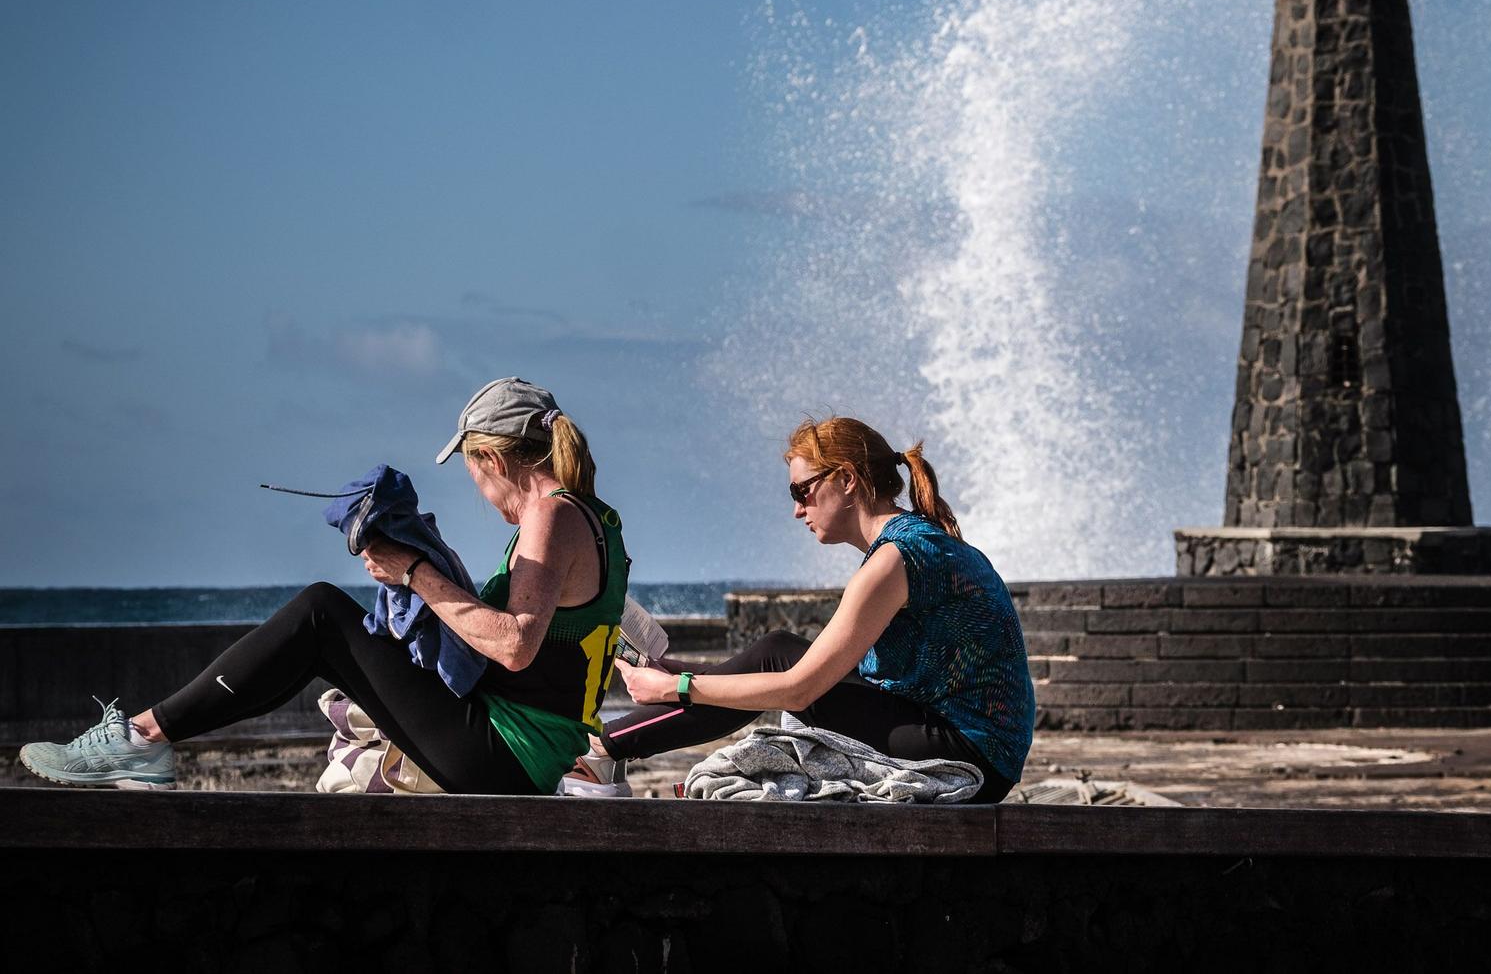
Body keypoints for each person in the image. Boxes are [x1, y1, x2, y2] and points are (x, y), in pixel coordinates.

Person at [21, 377, 628, 796]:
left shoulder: (549, 515)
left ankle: (142, 738)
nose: (481, 493)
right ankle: (146, 742)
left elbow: (516, 645)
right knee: (321, 637)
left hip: (508, 754)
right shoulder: (596, 519)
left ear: (494, 461)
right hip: (525, 746)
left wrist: (415, 572)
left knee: (320, 612)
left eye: (474, 476)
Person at [595, 416, 1033, 803]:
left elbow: (798, 689)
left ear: (846, 479)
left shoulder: (896, 558)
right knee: (777, 650)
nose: (796, 509)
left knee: (779, 653)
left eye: (801, 490)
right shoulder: (915, 542)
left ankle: (601, 751)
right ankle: (604, 751)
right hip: (970, 743)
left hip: (970, 754)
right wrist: (681, 674)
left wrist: (675, 687)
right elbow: (811, 674)